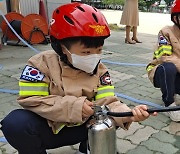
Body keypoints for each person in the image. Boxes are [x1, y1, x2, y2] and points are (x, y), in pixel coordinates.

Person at [0, 3, 157, 154]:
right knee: (15, 123)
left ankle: (90, 146)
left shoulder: (101, 70)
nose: (94, 57)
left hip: (85, 127)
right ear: (62, 47)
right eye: (86, 52)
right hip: (51, 128)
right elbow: (32, 99)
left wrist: (128, 113)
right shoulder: (39, 64)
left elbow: (108, 102)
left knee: (109, 119)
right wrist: (75, 106)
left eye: (99, 50)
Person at [146, 0, 180, 122]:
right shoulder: (166, 32)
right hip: (161, 72)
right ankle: (169, 105)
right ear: (175, 18)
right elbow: (165, 57)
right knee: (169, 67)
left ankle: (173, 91)